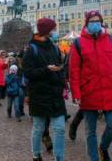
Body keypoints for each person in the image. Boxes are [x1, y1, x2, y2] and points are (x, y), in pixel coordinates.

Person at [69, 10, 112, 161]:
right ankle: (93, 158)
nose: (95, 23)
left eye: (97, 20)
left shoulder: (111, 39)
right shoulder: (78, 43)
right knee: (90, 131)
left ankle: (103, 147)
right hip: (89, 91)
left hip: (110, 89)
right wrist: (76, 93)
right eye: (92, 21)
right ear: (87, 23)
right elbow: (74, 70)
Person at [23, 18, 66, 161]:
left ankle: (58, 157)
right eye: (53, 29)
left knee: (59, 128)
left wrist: (62, 79)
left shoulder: (54, 47)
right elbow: (28, 73)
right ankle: (36, 154)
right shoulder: (31, 49)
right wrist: (46, 70)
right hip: (39, 95)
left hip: (55, 94)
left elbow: (60, 67)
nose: (55, 31)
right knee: (39, 127)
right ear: (46, 31)